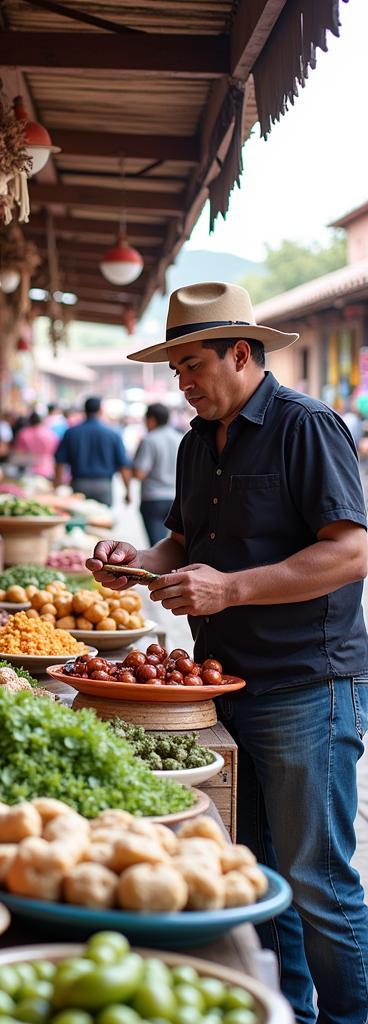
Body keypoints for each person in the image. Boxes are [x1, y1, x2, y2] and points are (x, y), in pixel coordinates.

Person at [86, 281, 368, 1024]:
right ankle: (292, 1012)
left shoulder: (307, 427)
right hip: (224, 688)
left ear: (240, 353)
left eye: (191, 365)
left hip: (308, 684)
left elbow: (350, 553)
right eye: (174, 369)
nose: (181, 383)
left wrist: (231, 591)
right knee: (255, 873)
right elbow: (183, 542)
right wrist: (134, 559)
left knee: (320, 885)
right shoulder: (191, 441)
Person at [53, 396, 130, 505]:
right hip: (103, 485)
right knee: (102, 518)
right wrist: (128, 491)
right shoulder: (112, 433)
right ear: (100, 410)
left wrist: (57, 485)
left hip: (79, 484)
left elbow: (59, 461)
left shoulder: (71, 432)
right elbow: (123, 465)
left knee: (80, 518)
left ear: (85, 410)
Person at [131, 402, 182, 545]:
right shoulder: (180, 438)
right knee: (174, 546)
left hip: (153, 498)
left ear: (151, 419)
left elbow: (140, 473)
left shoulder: (149, 439)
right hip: (176, 498)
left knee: (157, 546)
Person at [11, 411, 59, 481]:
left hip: (28, 470)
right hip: (48, 469)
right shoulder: (50, 434)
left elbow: (17, 452)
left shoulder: (23, 433)